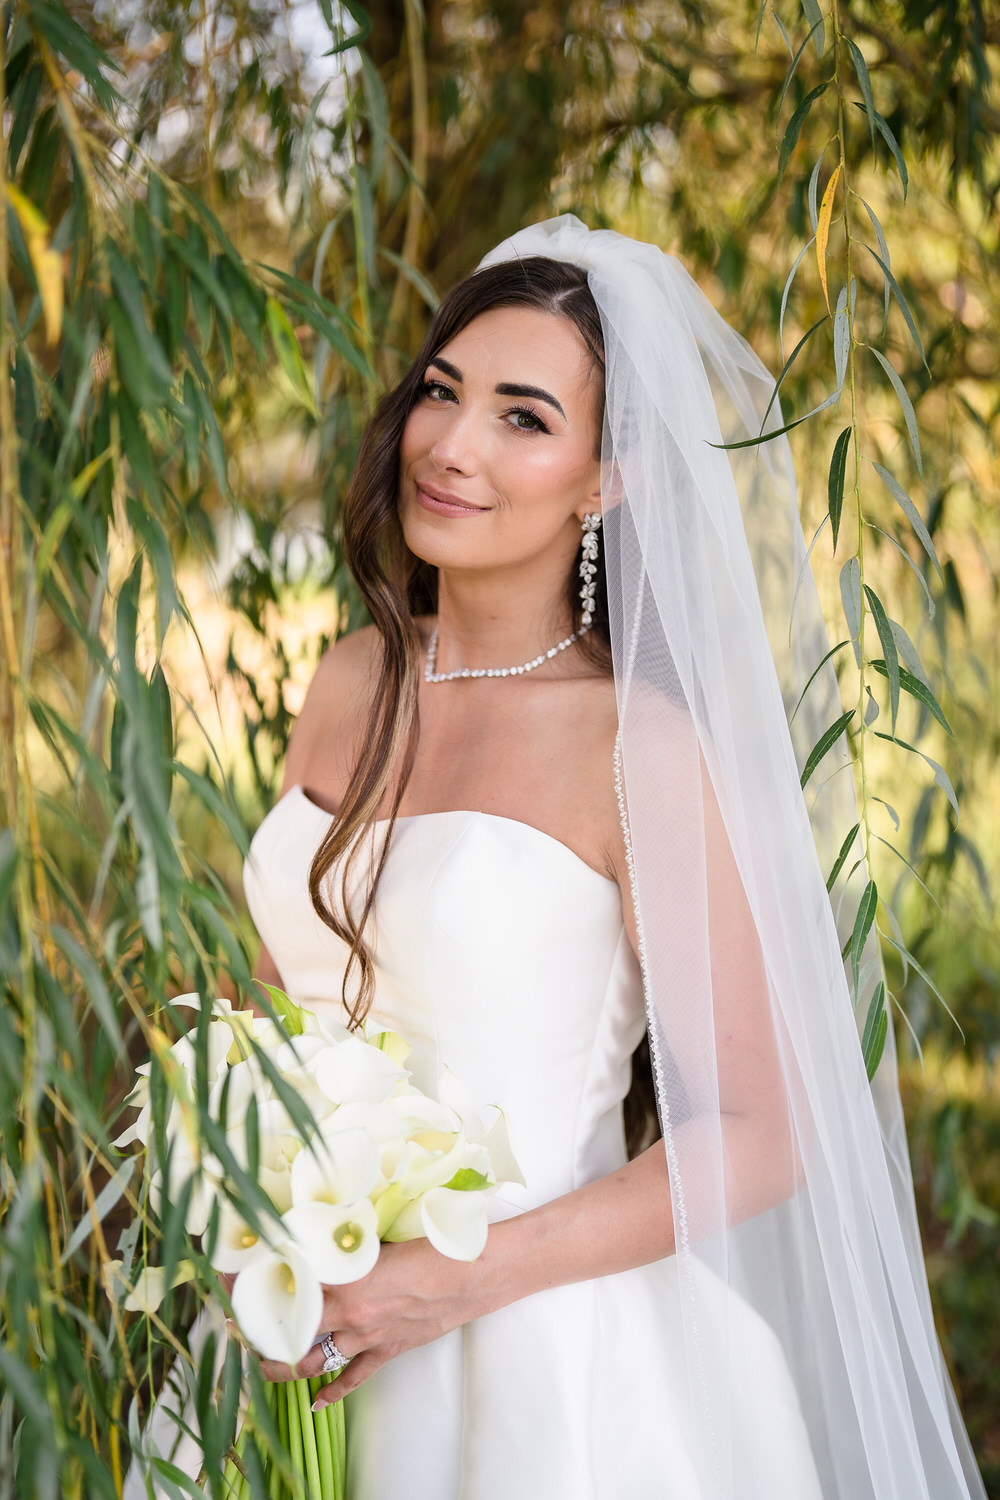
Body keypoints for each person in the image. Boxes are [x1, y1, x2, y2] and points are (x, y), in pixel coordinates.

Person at [240, 217, 986, 1499]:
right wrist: (241, 1198)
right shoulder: (348, 679)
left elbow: (757, 1131)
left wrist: (445, 1285)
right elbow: (273, 1014)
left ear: (607, 478)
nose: (453, 446)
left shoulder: (640, 744)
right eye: (441, 392)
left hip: (537, 1359)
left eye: (523, 419)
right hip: (290, 1316)